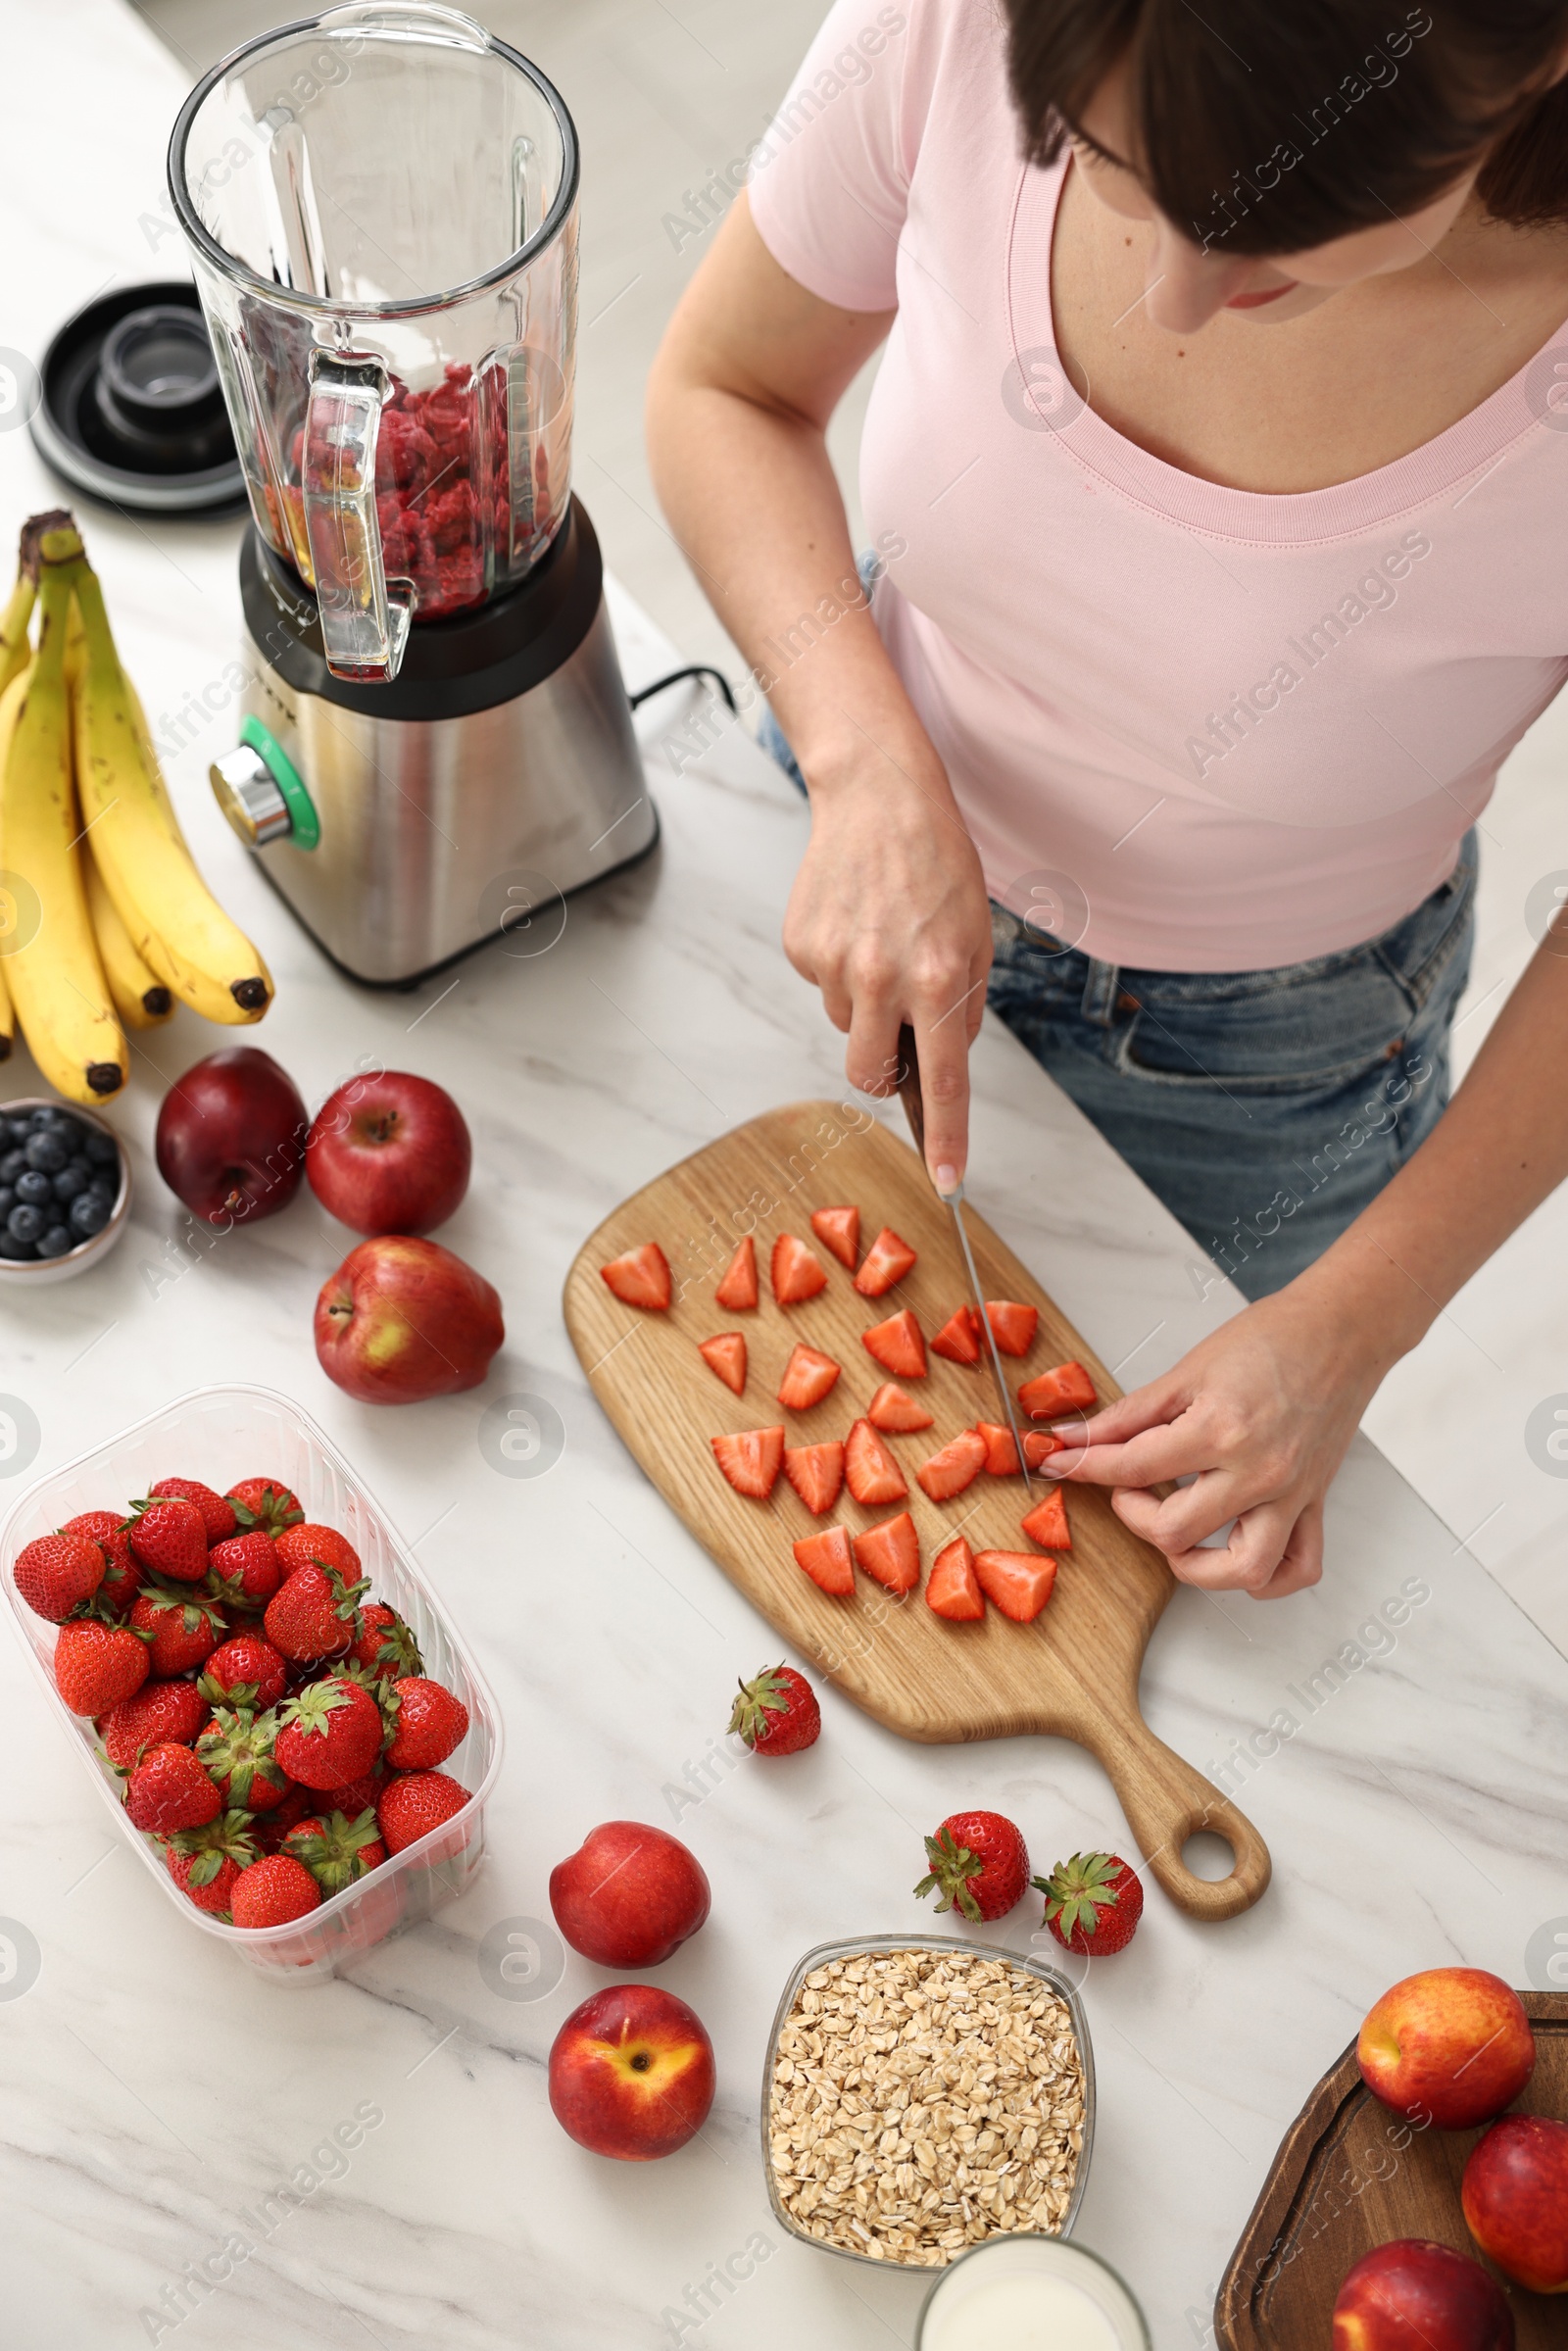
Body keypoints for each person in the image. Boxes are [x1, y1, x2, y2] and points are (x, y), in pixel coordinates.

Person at [646, 0, 1568, 1597]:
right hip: (839, 834)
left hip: (1260, 1075)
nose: (1174, 302)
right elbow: (728, 390)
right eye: (1103, 170)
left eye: (1281, 243)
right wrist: (864, 761)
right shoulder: (953, 22)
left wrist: (1354, 1325)